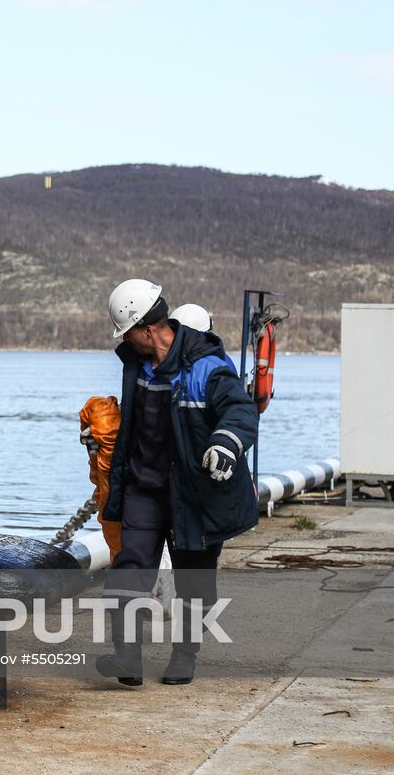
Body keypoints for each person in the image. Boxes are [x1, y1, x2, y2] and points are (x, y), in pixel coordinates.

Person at [91, 279, 258, 687]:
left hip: (194, 494)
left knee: (194, 578)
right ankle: (127, 658)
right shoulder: (138, 365)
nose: (124, 340)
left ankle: (185, 654)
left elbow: (240, 411)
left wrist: (225, 444)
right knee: (129, 570)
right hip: (144, 489)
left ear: (146, 328)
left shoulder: (207, 367)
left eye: (126, 331)